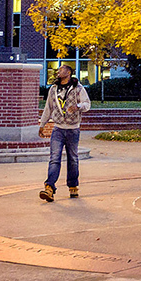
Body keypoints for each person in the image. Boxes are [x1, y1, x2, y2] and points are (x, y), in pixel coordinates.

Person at [38, 64, 91, 202]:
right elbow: (48, 107)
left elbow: (87, 104)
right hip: (58, 129)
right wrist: (42, 124)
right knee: (54, 158)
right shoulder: (54, 89)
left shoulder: (78, 88)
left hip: (73, 129)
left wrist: (77, 107)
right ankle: (49, 187)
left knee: (73, 158)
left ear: (68, 72)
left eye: (61, 69)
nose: (58, 71)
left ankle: (73, 186)